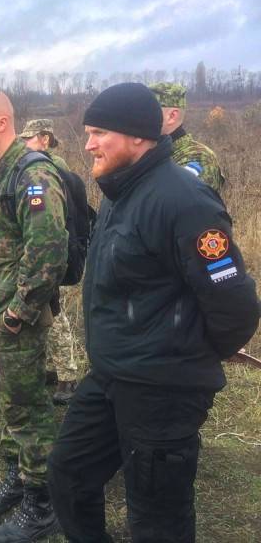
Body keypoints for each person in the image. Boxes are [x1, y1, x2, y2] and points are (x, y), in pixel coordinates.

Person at [48, 83, 260, 543]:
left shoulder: (184, 200)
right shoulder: (120, 192)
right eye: (88, 132)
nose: (87, 144)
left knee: (157, 520)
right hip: (111, 377)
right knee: (68, 475)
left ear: (139, 136)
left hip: (163, 390)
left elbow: (235, 304)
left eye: (99, 132)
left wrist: (189, 357)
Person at [0, 93, 67, 542]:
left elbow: (48, 253)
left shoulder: (33, 175)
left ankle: (42, 504)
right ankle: (18, 477)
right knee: (8, 404)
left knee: (28, 410)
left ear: (2, 122)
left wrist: (17, 313)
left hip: (14, 319)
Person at [20, 118, 80, 404]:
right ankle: (51, 369)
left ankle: (68, 377)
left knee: (55, 314)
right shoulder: (38, 165)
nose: (24, 144)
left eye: (29, 139)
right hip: (42, 256)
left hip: (52, 256)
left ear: (45, 138)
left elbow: (54, 223)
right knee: (45, 313)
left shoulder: (52, 168)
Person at [149, 82, 225, 193]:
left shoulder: (199, 158)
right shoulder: (150, 151)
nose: (142, 116)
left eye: (149, 111)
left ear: (172, 116)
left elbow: (179, 204)